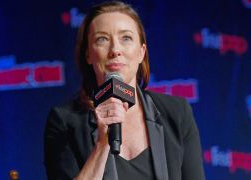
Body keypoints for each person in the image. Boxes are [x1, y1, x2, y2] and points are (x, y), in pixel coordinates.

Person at [44, 1, 205, 180]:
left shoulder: (177, 112)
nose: (115, 50)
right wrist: (102, 144)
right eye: (102, 39)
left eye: (126, 38)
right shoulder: (65, 120)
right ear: (88, 54)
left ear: (141, 52)